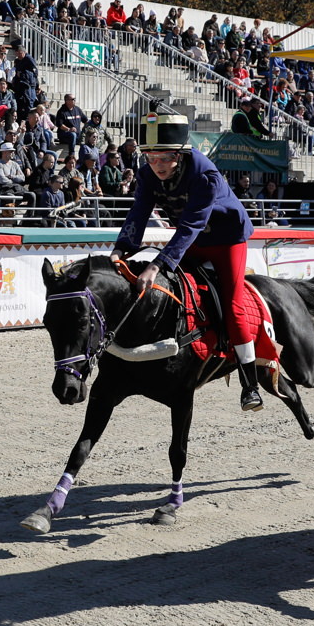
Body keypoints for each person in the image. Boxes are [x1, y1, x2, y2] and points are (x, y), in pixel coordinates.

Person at [110, 113, 262, 412]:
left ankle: (250, 384)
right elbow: (139, 213)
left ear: (179, 155)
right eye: (151, 158)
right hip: (194, 238)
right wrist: (120, 249)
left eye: (164, 158)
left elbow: (190, 225)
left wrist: (157, 264)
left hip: (226, 239)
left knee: (233, 305)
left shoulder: (205, 175)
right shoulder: (147, 174)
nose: (157, 165)